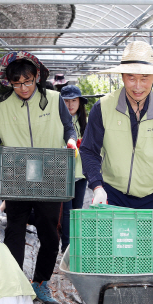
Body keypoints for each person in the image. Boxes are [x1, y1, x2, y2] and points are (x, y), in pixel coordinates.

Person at [0, 51, 78, 304]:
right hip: (17, 174)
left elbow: (68, 126)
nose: (23, 88)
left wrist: (70, 140)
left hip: (50, 173)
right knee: (14, 230)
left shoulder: (54, 99)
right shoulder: (4, 104)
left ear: (37, 77)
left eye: (27, 82)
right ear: (9, 83)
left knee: (50, 233)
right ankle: (15, 285)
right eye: (17, 84)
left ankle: (40, 283)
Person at [80, 41, 153, 214]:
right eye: (131, 78)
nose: (137, 86)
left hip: (152, 197)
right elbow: (89, 150)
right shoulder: (103, 107)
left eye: (144, 78)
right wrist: (97, 186)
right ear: (122, 76)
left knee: (149, 242)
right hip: (111, 196)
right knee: (112, 242)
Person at [59, 85, 89, 252]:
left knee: (77, 211)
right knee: (67, 212)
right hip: (64, 173)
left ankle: (76, 246)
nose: (70, 105)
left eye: (74, 101)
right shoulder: (58, 121)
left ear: (80, 103)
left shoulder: (85, 123)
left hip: (80, 173)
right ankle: (66, 247)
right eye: (66, 101)